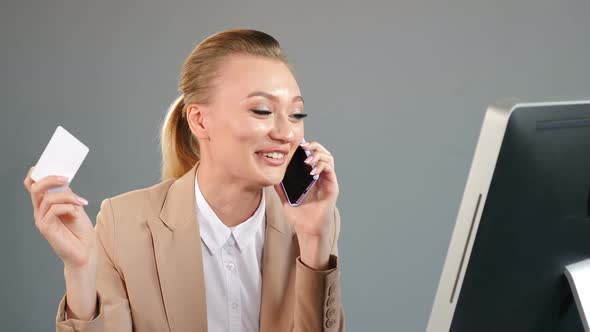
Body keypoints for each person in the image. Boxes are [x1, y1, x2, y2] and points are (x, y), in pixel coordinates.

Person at [23, 29, 344, 331]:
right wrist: (80, 270)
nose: (286, 133)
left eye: (296, 114)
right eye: (262, 111)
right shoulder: (123, 223)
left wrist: (315, 243)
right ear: (199, 120)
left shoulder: (310, 223)